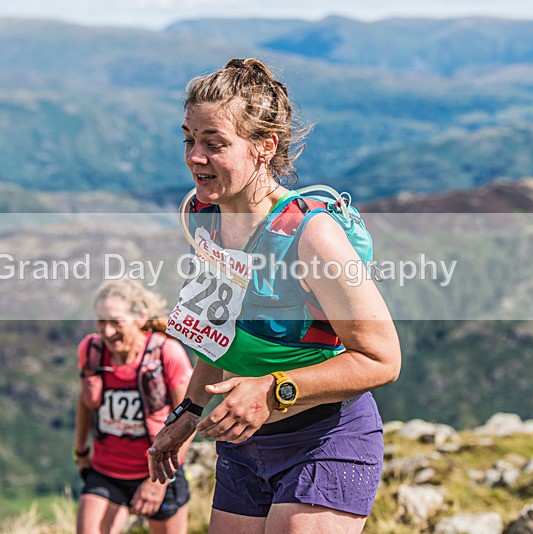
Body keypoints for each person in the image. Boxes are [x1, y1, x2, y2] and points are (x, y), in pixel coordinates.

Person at [147, 58, 402, 533]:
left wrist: (270, 388)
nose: (194, 157)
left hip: (325, 438)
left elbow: (382, 359)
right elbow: (220, 336)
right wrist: (188, 412)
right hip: (242, 445)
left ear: (264, 147)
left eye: (214, 143)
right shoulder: (206, 217)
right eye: (189, 139)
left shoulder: (312, 235)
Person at [73, 279, 195, 534]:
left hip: (157, 470)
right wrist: (81, 452)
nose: (107, 332)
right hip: (105, 471)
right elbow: (85, 402)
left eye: (116, 322)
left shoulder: (167, 353)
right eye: (101, 321)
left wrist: (160, 481)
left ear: (140, 318)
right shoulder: (92, 351)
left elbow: (189, 418)